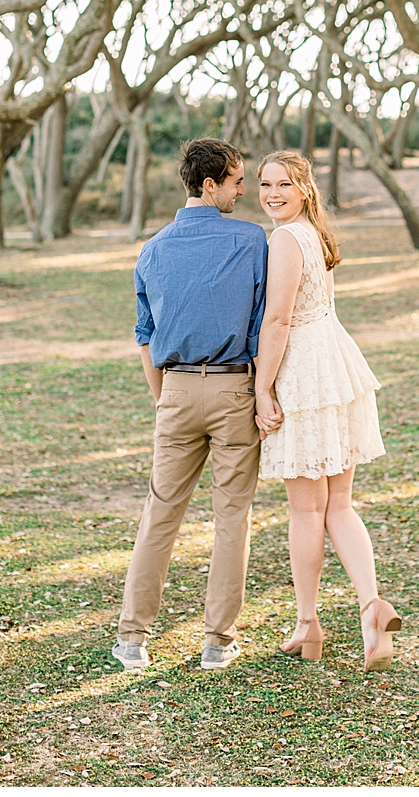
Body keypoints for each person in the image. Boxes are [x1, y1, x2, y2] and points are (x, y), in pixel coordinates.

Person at [115, 137, 268, 672]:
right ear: (210, 184)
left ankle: (132, 638)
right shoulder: (252, 241)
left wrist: (166, 399)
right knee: (232, 517)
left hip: (175, 390)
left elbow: (145, 337)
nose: (243, 191)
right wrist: (263, 393)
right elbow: (263, 327)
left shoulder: (153, 249)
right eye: (237, 181)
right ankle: (218, 642)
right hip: (234, 391)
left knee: (160, 513)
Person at [251, 149, 401, 669]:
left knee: (307, 510)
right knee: (338, 505)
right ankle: (371, 604)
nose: (272, 194)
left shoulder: (285, 239)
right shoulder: (314, 233)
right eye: (265, 184)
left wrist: (263, 389)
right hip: (335, 363)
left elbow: (278, 320)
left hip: (307, 373)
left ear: (304, 189)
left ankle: (307, 623)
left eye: (284, 185)